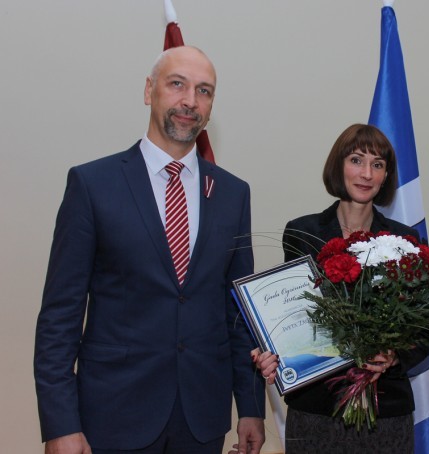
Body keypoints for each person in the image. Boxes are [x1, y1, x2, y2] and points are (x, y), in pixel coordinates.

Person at [34, 46, 265, 454]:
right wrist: (60, 424)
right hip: (113, 415)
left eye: (204, 91)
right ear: (149, 91)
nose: (190, 101)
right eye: (177, 84)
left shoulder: (233, 193)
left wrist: (250, 407)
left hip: (202, 419)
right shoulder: (92, 185)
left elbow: (238, 312)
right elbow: (59, 316)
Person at [255, 124, 429, 453]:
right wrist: (271, 349)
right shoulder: (302, 233)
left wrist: (393, 355)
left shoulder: (405, 239)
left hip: (385, 411)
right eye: (356, 160)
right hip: (316, 409)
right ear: (339, 166)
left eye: (377, 164)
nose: (366, 173)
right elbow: (292, 318)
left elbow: (425, 330)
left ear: (386, 176)